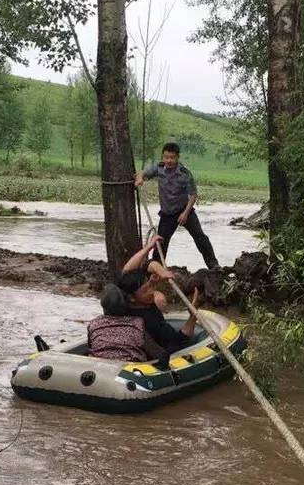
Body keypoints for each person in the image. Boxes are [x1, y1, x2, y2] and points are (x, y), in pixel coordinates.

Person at [116, 234, 202, 361]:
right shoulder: (152, 323)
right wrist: (193, 314)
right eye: (146, 288)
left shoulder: (126, 303)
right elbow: (180, 342)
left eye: (149, 282)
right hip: (156, 356)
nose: (151, 287)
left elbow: (128, 270)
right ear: (133, 298)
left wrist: (149, 248)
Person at [135, 142, 220, 270]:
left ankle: (214, 266)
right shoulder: (158, 168)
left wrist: (185, 214)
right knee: (160, 242)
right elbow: (143, 173)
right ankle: (156, 269)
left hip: (184, 211)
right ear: (163, 157)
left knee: (200, 237)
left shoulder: (184, 173)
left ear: (177, 157)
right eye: (166, 157)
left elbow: (192, 195)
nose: (169, 160)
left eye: (172, 157)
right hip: (167, 213)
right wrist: (140, 179)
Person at [87, 284, 148, 362]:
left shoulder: (94, 323)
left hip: (99, 367)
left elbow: (91, 346)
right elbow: (153, 350)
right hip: (129, 367)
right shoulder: (138, 323)